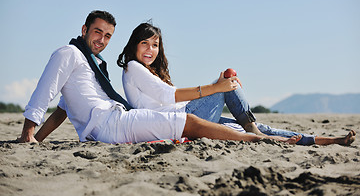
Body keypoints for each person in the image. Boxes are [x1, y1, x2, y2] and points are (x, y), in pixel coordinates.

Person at [17, 10, 301, 145]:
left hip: (115, 119)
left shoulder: (91, 66)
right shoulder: (68, 53)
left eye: (107, 36)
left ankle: (290, 138)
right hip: (110, 124)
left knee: (201, 123)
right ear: (84, 29)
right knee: (187, 122)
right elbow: (44, 92)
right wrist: (27, 134)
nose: (101, 40)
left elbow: (62, 110)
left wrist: (38, 140)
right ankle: (257, 140)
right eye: (97, 32)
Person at [117, 22, 356, 146]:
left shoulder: (148, 71)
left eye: (155, 45)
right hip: (179, 121)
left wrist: (216, 86)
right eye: (145, 44)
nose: (151, 50)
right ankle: (251, 126)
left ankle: (325, 140)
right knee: (228, 85)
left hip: (185, 115)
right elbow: (170, 96)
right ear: (134, 45)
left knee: (259, 128)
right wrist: (217, 88)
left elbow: (170, 97)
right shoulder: (132, 67)